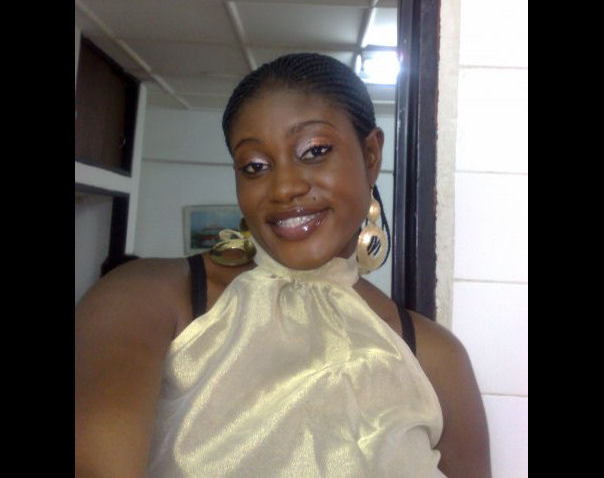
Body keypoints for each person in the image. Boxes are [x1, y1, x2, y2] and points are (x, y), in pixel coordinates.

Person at [75, 53, 491, 477]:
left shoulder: (436, 358)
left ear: (370, 156)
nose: (284, 187)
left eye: (314, 151)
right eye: (255, 166)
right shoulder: (150, 296)